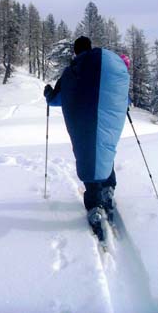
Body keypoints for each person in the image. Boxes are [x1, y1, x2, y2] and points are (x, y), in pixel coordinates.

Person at [44, 36, 130, 240]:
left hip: (85, 121)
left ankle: (95, 207)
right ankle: (108, 190)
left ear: (75, 52)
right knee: (105, 148)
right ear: (90, 48)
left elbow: (57, 99)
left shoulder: (72, 73)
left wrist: (48, 93)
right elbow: (122, 96)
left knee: (90, 154)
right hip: (108, 118)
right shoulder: (109, 67)